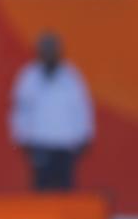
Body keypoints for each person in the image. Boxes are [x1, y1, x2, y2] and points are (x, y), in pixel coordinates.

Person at [10, 32, 94, 191]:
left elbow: (82, 108)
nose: (49, 53)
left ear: (59, 51)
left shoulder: (71, 75)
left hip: (65, 143)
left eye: (52, 49)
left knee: (66, 189)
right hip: (40, 141)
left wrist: (85, 134)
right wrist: (21, 136)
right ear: (39, 52)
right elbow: (20, 109)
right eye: (45, 49)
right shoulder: (29, 76)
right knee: (42, 189)